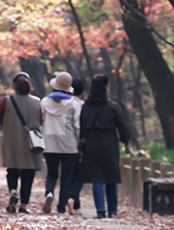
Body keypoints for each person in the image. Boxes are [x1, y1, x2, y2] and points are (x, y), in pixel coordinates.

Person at [77, 74, 129, 219]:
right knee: (110, 175)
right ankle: (112, 209)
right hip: (109, 142)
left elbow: (82, 127)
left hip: (91, 143)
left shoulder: (86, 107)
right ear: (105, 88)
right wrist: (126, 140)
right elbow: (122, 126)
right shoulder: (113, 107)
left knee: (96, 177)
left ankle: (100, 210)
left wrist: (81, 143)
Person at [0, 71, 43, 215]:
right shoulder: (37, 102)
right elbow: (41, 120)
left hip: (12, 140)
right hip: (31, 143)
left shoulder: (7, 100)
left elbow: (0, 119)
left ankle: (13, 191)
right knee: (28, 173)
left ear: (14, 85)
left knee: (12, 169)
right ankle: (23, 205)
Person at [40, 71, 81, 215]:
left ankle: (49, 193)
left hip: (49, 143)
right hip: (69, 144)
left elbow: (41, 121)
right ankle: (61, 207)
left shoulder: (45, 102)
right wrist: (79, 142)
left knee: (51, 173)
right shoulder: (73, 104)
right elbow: (77, 126)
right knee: (67, 176)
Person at [67, 77, 86, 214]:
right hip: (80, 141)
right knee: (80, 174)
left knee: (69, 173)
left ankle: (76, 205)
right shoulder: (83, 105)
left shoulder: (63, 103)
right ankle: (73, 198)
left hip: (64, 141)